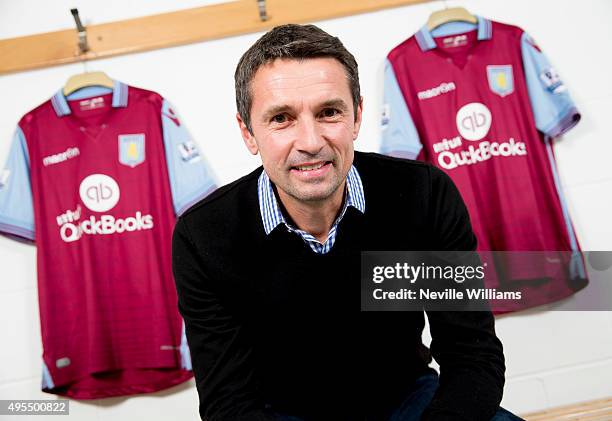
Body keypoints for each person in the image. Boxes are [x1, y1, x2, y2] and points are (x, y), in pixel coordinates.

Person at [172, 24, 523, 421]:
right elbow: (229, 403)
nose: (310, 141)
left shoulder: (424, 196)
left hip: (408, 400)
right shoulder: (203, 236)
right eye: (282, 118)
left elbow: (471, 353)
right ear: (248, 133)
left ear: (356, 116)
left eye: (329, 112)